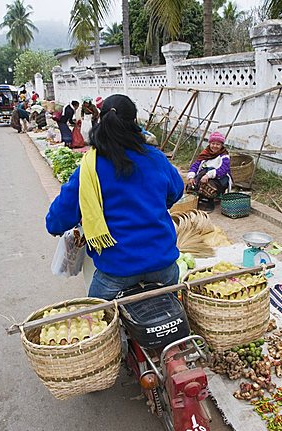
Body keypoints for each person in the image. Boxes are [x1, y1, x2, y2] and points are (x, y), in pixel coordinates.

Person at [46, 94, 184, 300]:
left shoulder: (90, 166)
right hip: (163, 267)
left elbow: (59, 216)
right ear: (135, 122)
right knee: (172, 309)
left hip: (116, 273)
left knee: (97, 318)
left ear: (101, 120)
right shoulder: (155, 157)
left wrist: (56, 226)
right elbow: (176, 191)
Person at [187, 131, 232, 212]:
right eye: (213, 143)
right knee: (192, 184)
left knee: (208, 185)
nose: (215, 146)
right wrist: (191, 176)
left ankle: (209, 203)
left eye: (218, 144)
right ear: (209, 143)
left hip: (220, 180)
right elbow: (195, 165)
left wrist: (208, 175)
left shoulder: (224, 156)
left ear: (222, 145)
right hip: (203, 176)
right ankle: (198, 200)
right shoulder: (205, 154)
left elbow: (223, 170)